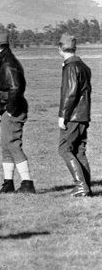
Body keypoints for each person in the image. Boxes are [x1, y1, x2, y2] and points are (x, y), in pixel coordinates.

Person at [0, 33, 35, 194]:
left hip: (12, 109)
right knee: (6, 146)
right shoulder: (8, 60)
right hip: (9, 107)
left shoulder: (7, 63)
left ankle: (27, 183)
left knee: (13, 145)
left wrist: (10, 110)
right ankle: (8, 183)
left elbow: (15, 88)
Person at [57, 34, 93, 197]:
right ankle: (86, 186)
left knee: (64, 148)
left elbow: (70, 94)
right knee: (79, 151)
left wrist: (62, 116)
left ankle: (80, 186)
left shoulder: (70, 67)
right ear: (75, 47)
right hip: (84, 115)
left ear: (60, 48)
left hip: (73, 116)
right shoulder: (84, 66)